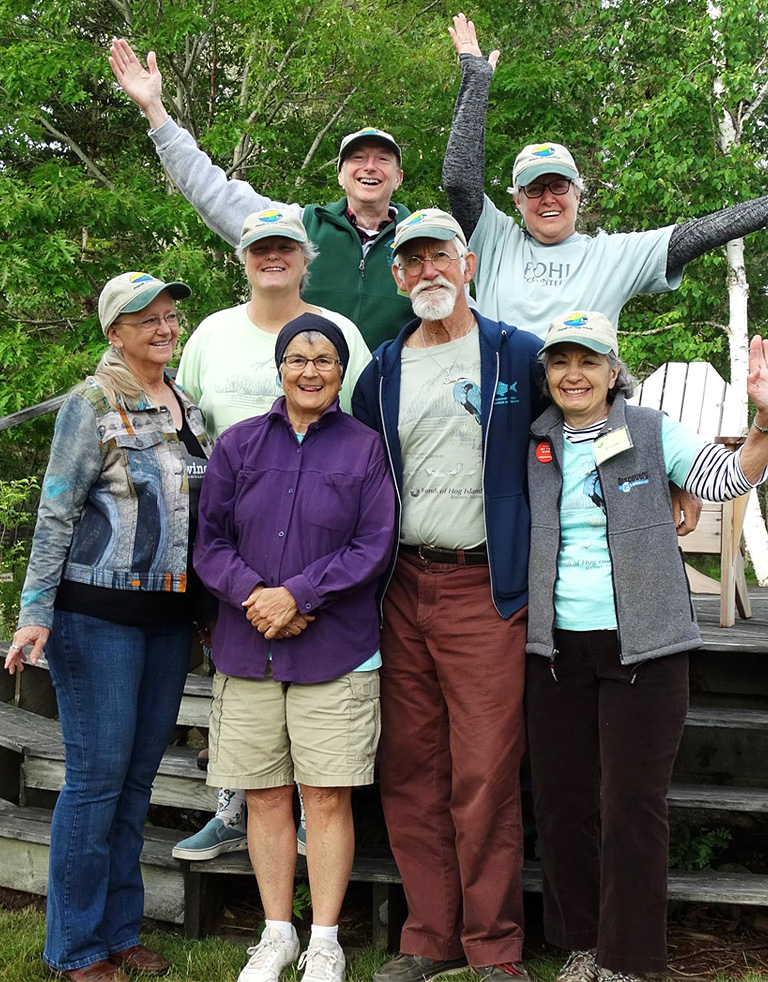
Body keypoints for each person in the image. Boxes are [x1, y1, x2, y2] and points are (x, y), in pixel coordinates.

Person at [525, 311, 768, 982]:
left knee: (632, 806)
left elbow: (727, 478)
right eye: (560, 362)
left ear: (612, 370)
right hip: (555, 649)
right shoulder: (531, 440)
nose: (574, 374)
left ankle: (627, 961)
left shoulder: (652, 432)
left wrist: (765, 422)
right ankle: (580, 945)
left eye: (589, 360)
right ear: (546, 375)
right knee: (563, 801)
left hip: (647, 646)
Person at [4, 272, 213, 982]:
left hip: (167, 620)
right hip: (96, 619)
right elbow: (57, 512)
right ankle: (75, 948)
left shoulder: (185, 403)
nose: (163, 327)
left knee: (135, 784)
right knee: (95, 783)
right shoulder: (90, 403)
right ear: (113, 332)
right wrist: (35, 614)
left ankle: (121, 931)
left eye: (168, 316)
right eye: (144, 319)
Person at [352, 209, 543, 982]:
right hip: (401, 589)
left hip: (485, 590)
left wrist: (664, 474)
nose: (428, 270)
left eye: (441, 257)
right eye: (413, 261)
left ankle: (494, 948)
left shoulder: (515, 354)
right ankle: (428, 937)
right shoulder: (382, 369)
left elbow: (590, 406)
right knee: (410, 768)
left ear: (468, 265)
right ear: (397, 277)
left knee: (486, 771)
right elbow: (350, 473)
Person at [194, 312, 395, 982]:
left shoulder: (365, 448)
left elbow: (373, 543)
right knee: (265, 796)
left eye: (325, 360)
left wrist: (300, 595)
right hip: (248, 648)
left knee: (327, 798)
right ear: (279, 367)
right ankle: (277, 933)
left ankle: (325, 940)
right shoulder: (240, 445)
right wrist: (258, 597)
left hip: (334, 651)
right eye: (298, 358)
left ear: (342, 371)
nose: (311, 371)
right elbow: (210, 541)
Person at [171, 206, 372, 862]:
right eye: (260, 248)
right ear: (244, 257)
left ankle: (316, 831)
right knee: (241, 706)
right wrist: (251, 591)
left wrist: (297, 595)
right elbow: (181, 418)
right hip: (229, 531)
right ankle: (234, 811)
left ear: (305, 257)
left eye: (286, 246)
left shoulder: (338, 332)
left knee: (313, 738)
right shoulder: (211, 333)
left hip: (323, 524)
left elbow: (364, 421)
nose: (273, 257)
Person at [442, 13, 768, 338]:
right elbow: (459, 180)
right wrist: (477, 79)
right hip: (505, 390)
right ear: (517, 199)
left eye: (558, 185)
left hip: (581, 389)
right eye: (535, 189)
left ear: (578, 194)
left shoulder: (610, 256)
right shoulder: (496, 242)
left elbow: (695, 235)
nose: (548, 198)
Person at [109, 38, 412, 350]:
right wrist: (154, 109)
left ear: (398, 178)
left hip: (386, 395)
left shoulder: (419, 241)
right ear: (340, 175)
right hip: (306, 389)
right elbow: (213, 193)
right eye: (358, 158)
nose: (370, 167)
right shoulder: (300, 227)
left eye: (383, 159)